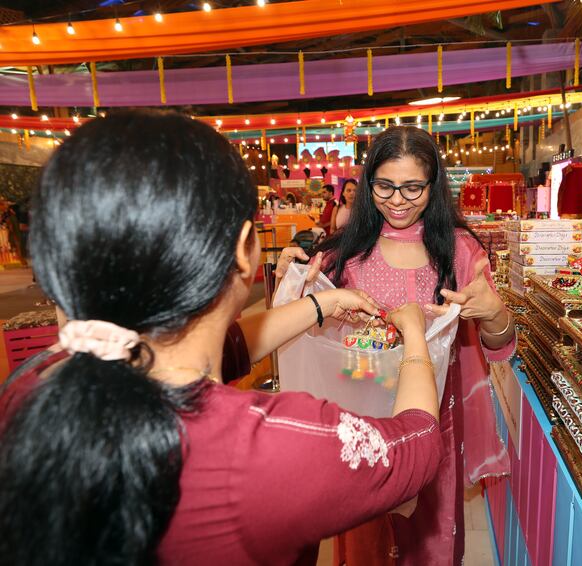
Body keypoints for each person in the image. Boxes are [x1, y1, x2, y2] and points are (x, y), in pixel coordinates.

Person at [0, 111, 445, 566]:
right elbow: (419, 443)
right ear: (242, 249)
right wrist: (413, 334)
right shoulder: (277, 443)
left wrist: (321, 305)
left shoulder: (32, 387)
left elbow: (226, 347)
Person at [312, 126, 516, 566]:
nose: (397, 200)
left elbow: (500, 347)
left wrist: (495, 315)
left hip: (434, 420)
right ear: (367, 185)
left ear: (434, 186)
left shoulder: (459, 252)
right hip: (363, 420)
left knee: (431, 538)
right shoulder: (343, 255)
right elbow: (313, 339)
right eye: (384, 186)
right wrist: (303, 291)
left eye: (412, 187)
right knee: (368, 542)